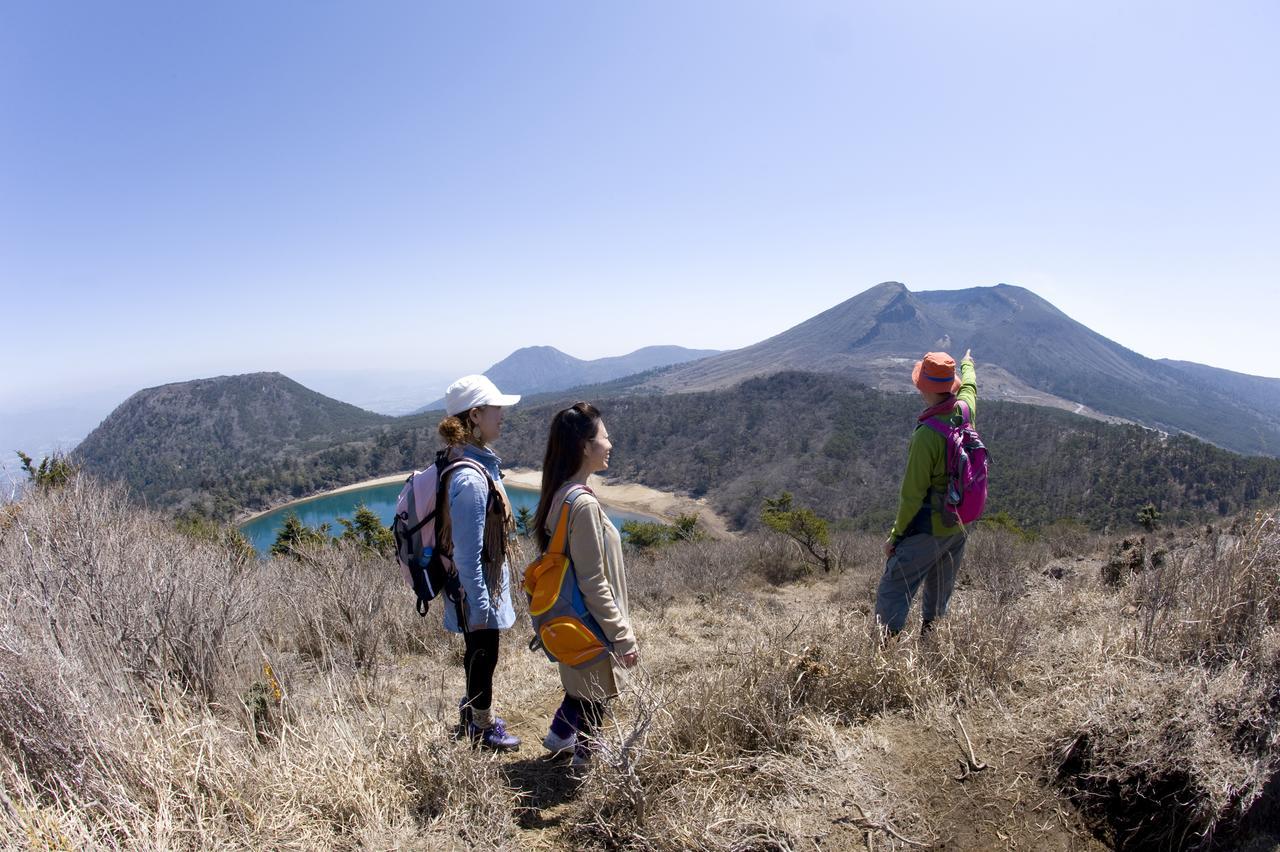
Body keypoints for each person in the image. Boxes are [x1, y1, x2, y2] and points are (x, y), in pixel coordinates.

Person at [531, 402, 639, 766]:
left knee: (581, 687)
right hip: (590, 623)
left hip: (568, 619)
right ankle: (586, 764)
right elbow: (593, 581)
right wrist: (621, 635)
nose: (610, 444)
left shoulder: (559, 493)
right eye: (604, 437)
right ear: (585, 446)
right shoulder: (583, 504)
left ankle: (559, 735)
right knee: (596, 697)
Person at [438, 374, 522, 750]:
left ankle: (472, 712)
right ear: (474, 416)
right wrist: (482, 605)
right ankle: (482, 726)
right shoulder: (471, 479)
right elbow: (467, 554)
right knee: (484, 654)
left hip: (478, 585)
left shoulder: (468, 461)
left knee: (478, 653)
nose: (502, 415)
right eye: (495, 409)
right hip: (477, 587)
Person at [875, 350, 978, 637]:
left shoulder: (927, 435)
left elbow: (912, 496)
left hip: (928, 527)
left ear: (921, 386)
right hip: (960, 523)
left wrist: (895, 537)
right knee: (939, 587)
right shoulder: (965, 409)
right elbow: (970, 386)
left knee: (893, 586)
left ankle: (885, 651)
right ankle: (931, 641)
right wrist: (968, 363)